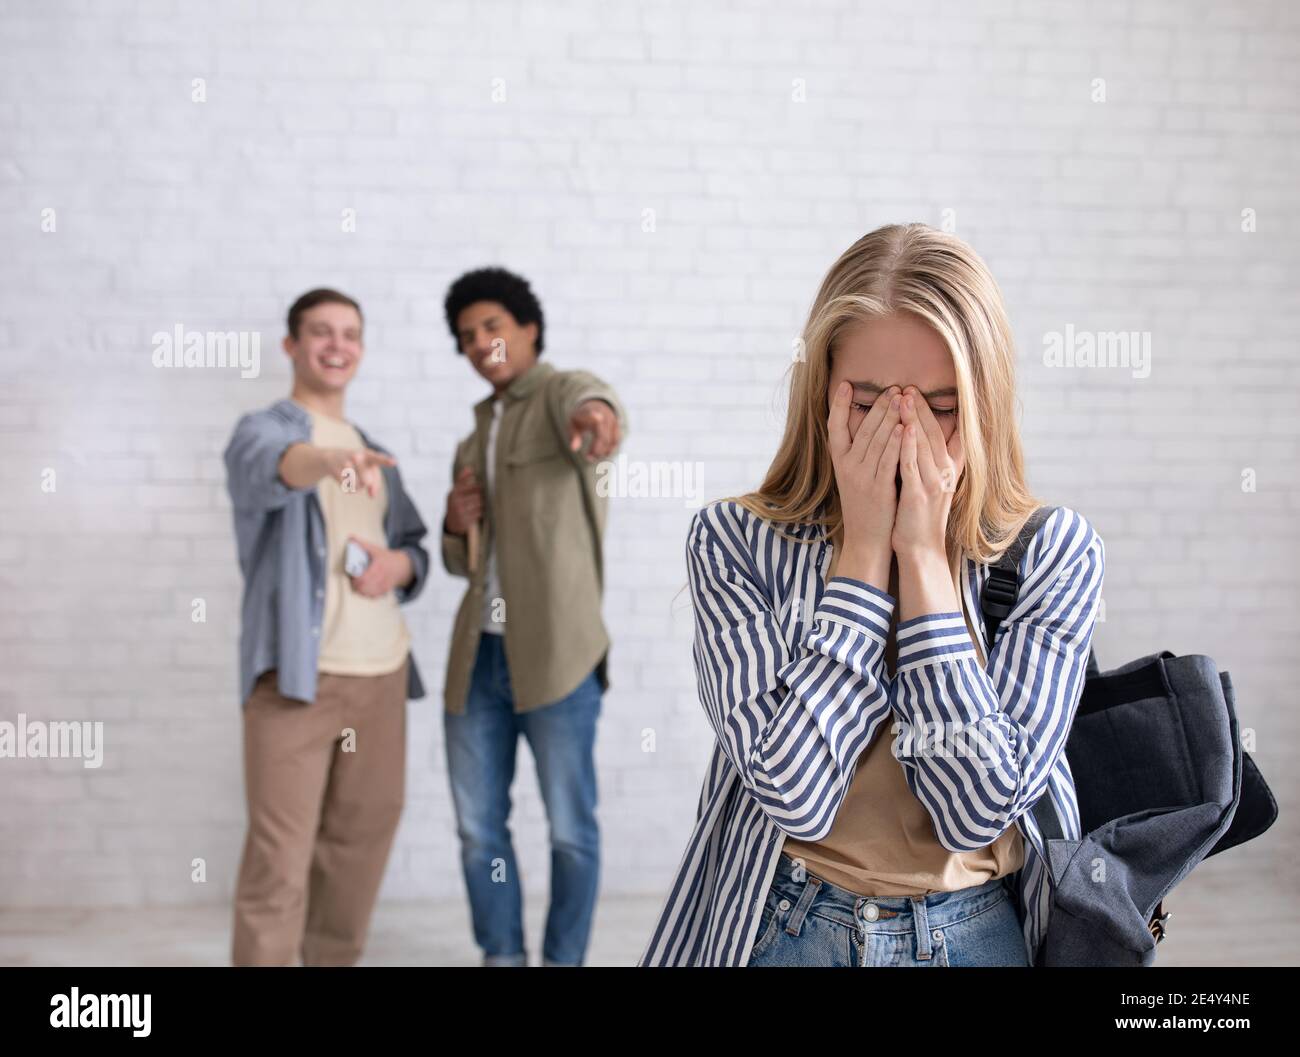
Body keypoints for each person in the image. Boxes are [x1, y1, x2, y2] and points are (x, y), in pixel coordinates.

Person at [641, 224, 1104, 967]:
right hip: (787, 923)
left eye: (941, 407)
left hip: (977, 930)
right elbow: (793, 793)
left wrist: (921, 558)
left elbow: (976, 807)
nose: (902, 431)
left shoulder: (1051, 551)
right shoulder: (733, 542)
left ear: (985, 402)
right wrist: (862, 557)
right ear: (822, 392)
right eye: (868, 402)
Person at [224, 288, 430, 966]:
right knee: (279, 863)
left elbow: (414, 549)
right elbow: (273, 470)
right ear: (292, 345)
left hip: (381, 678)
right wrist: (323, 461)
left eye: (350, 333)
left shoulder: (377, 451)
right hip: (296, 682)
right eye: (320, 331)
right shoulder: (265, 431)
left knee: (358, 852)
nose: (336, 344)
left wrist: (398, 564)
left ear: (362, 349)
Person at [439, 267, 628, 966]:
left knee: (571, 829)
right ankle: (503, 957)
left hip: (557, 655)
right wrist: (456, 524)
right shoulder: (472, 437)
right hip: (477, 659)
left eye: (493, 325)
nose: (481, 342)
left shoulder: (558, 395)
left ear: (528, 328)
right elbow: (462, 562)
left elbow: (595, 403)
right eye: (466, 336)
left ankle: (563, 960)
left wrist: (598, 419)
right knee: (478, 829)